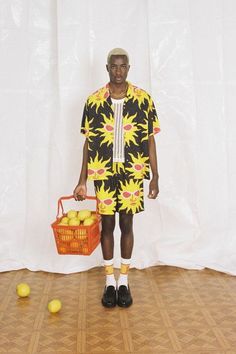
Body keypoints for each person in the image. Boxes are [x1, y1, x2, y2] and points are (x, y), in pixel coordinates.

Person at [73, 48, 160, 308]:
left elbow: (150, 139)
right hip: (104, 172)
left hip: (132, 173)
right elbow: (88, 143)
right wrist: (82, 180)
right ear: (107, 67)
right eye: (114, 66)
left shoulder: (143, 100)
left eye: (123, 66)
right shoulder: (94, 101)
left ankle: (124, 280)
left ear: (129, 68)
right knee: (107, 225)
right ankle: (109, 281)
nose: (118, 71)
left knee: (127, 225)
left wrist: (155, 175)